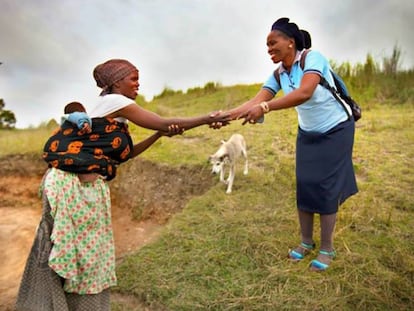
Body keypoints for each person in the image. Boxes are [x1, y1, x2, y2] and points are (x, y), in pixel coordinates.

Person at [16, 59, 231, 311]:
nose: (138, 83)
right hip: (70, 188)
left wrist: (158, 136)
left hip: (75, 188)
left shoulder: (112, 112)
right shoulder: (116, 102)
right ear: (116, 83)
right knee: (77, 255)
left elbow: (125, 155)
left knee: (77, 254)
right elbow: (162, 121)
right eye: (133, 78)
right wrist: (209, 117)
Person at [226, 17, 358, 271]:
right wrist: (225, 116)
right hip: (308, 133)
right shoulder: (279, 73)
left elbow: (304, 92)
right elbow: (256, 100)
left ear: (290, 42)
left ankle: (327, 248)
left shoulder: (312, 58)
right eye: (266, 46)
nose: (269, 49)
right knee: (305, 184)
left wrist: (265, 107)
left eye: (273, 43)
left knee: (326, 187)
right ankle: (306, 242)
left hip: (337, 129)